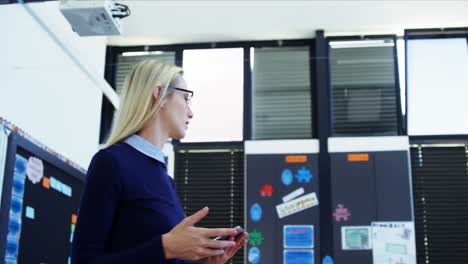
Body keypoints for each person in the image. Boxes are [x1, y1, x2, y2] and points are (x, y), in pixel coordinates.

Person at [71, 60, 248, 264]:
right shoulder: (111, 162)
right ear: (160, 94)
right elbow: (83, 261)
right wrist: (165, 247)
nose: (191, 113)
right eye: (185, 97)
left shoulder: (164, 178)